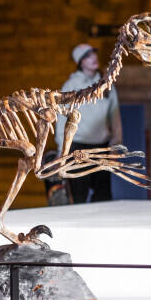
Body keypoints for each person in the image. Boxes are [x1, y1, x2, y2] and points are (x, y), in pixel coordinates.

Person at [55, 43, 123, 203]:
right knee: (79, 195)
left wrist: (115, 145)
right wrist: (61, 149)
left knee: (103, 196)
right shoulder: (71, 86)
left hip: (101, 147)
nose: (93, 58)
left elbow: (115, 117)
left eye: (93, 54)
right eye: (87, 56)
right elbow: (61, 119)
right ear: (80, 62)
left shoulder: (106, 85)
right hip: (77, 148)